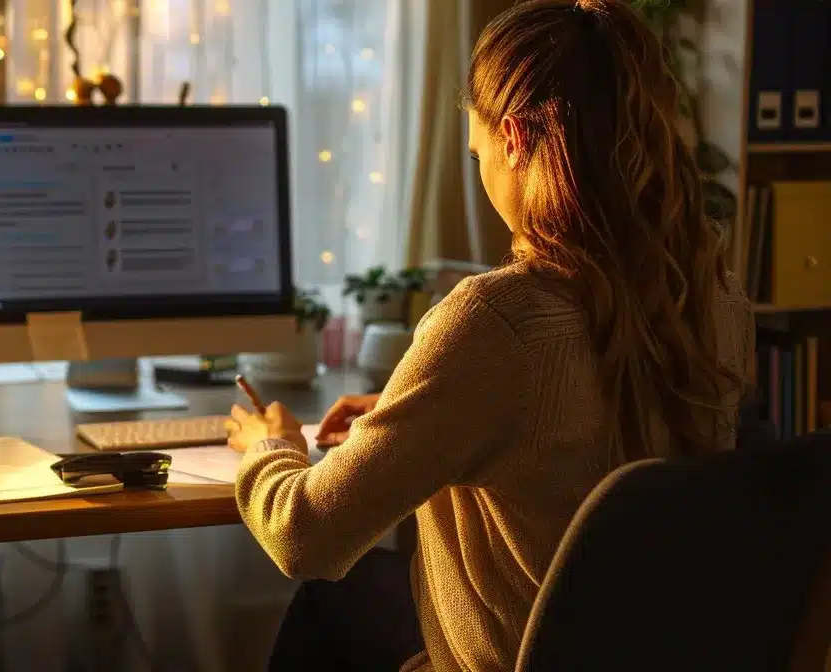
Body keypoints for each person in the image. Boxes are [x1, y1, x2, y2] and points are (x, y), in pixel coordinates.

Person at [225, 2, 754, 670]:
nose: (480, 176)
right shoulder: (717, 301)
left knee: (332, 599)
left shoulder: (497, 323)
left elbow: (307, 536)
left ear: (513, 137)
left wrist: (269, 447)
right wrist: (412, 419)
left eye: (476, 153)